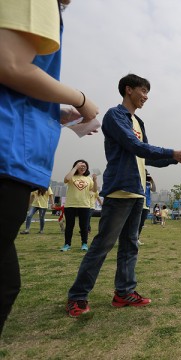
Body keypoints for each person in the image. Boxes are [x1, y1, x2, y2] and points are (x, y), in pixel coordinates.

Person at [0, 0, 100, 337]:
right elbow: (9, 62)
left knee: (6, 283)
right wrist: (82, 100)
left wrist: (54, 112)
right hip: (7, 155)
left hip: (14, 156)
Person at [65, 73, 181, 318]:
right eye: (143, 91)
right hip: (119, 190)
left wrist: (173, 159)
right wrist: (172, 152)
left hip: (137, 192)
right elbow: (135, 146)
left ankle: (124, 292)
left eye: (148, 93)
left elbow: (143, 156)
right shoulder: (115, 116)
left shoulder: (138, 122)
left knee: (130, 245)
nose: (146, 97)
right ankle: (77, 297)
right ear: (128, 90)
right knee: (102, 245)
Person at [61, 160, 97, 252]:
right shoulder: (72, 177)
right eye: (80, 165)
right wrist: (75, 167)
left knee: (84, 226)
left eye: (84, 166)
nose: (83, 167)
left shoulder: (88, 179)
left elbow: (94, 190)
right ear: (76, 166)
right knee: (69, 225)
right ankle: (67, 244)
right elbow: (66, 179)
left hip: (84, 205)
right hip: (70, 205)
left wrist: (95, 180)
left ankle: (84, 243)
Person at [138, 170, 156, 245]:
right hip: (138, 203)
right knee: (134, 222)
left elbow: (154, 189)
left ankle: (137, 238)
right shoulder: (137, 181)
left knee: (141, 223)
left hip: (146, 205)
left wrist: (152, 181)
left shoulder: (148, 183)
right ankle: (130, 238)